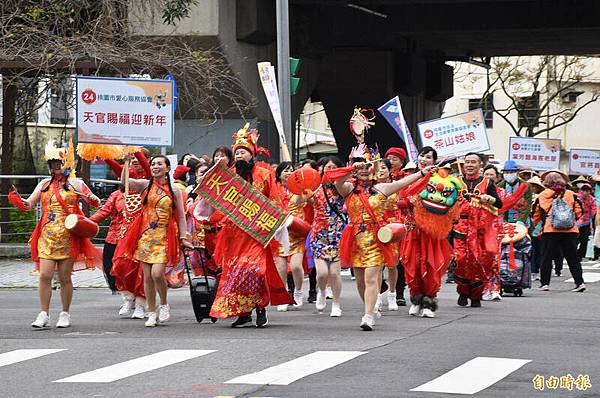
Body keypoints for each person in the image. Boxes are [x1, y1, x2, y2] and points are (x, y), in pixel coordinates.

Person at [332, 153, 435, 330]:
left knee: (371, 277)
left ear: (373, 169)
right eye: (360, 167)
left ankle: (368, 316)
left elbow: (403, 183)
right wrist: (350, 170)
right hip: (355, 239)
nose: (364, 170)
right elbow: (337, 182)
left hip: (376, 238)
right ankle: (370, 307)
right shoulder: (348, 188)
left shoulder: (381, 188)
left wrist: (422, 172)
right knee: (360, 281)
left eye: (367, 167)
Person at [207, 124, 294, 328]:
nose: (239, 155)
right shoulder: (228, 177)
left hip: (257, 233)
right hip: (234, 233)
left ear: (252, 154)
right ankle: (244, 312)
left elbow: (274, 200)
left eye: (243, 152)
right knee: (237, 272)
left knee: (255, 270)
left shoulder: (264, 174)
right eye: (237, 152)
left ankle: (261, 307)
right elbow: (215, 201)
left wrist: (276, 223)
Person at [13, 140, 101, 328]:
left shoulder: (76, 183)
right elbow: (29, 204)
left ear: (67, 163)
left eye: (59, 162)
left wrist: (93, 199)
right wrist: (18, 200)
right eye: (52, 162)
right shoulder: (44, 184)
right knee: (44, 275)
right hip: (47, 235)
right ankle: (43, 313)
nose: (56, 166)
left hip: (68, 235)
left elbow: (95, 202)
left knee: (64, 277)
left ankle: (64, 313)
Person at [114, 155, 192, 327]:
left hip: (164, 236)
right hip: (145, 236)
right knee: (147, 277)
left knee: (157, 274)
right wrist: (126, 162)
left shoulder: (174, 190)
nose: (155, 167)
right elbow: (125, 180)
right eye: (153, 164)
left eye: (159, 164)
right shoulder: (145, 185)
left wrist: (184, 237)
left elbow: (180, 215)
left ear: (167, 168)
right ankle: (151, 312)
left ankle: (163, 304)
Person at [401, 151, 463, 318]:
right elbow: (400, 199)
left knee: (431, 265)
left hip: (433, 232)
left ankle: (429, 301)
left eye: (429, 157)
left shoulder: (443, 181)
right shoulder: (410, 177)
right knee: (412, 265)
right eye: (422, 156)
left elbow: (453, 207)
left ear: (435, 161)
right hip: (414, 230)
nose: (424, 159)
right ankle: (416, 299)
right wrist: (406, 202)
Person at [453, 152, 503, 308]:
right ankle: (462, 291)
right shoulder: (456, 181)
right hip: (460, 226)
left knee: (478, 261)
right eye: (467, 162)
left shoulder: (487, 183)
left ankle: (476, 295)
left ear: (480, 165)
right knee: (460, 259)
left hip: (481, 229)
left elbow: (499, 204)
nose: (469, 165)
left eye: (473, 162)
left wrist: (490, 199)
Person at [532, 170, 585, 292]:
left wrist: (535, 224)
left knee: (547, 257)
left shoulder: (543, 195)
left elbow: (536, 213)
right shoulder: (571, 194)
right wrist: (571, 220)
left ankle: (545, 284)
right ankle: (580, 283)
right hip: (570, 230)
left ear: (546, 182)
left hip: (550, 230)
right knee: (572, 257)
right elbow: (579, 210)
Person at [273, 161, 307, 311]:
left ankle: (298, 291)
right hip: (279, 233)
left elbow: (301, 199)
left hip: (296, 233)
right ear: (279, 174)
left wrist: (300, 186)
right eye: (285, 170)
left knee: (295, 266)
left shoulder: (297, 190)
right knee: (280, 268)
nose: (288, 172)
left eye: (291, 170)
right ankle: (283, 296)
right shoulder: (273, 190)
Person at [384, 146, 409, 307]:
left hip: (398, 223)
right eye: (389, 158)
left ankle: (398, 293)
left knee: (397, 261)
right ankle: (379, 290)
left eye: (395, 159)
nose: (392, 162)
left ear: (402, 161)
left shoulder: (406, 178)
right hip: (379, 222)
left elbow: (410, 198)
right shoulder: (378, 179)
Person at [498, 160, 532, 225]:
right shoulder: (500, 186)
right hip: (505, 220)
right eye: (506, 172)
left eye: (512, 172)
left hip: (522, 220)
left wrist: (521, 221)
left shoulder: (526, 186)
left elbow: (527, 205)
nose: (509, 174)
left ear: (517, 173)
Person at [527, 176, 546, 281]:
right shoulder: (527, 196)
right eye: (531, 186)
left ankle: (536, 270)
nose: (533, 188)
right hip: (529, 225)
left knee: (538, 250)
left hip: (539, 226)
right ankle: (532, 269)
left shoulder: (541, 197)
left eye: (535, 186)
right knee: (531, 249)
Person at [574, 179, 596, 261]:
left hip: (586, 222)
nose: (585, 192)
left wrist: (592, 215)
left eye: (587, 190)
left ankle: (580, 255)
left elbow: (593, 210)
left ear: (590, 191)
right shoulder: (576, 197)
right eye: (584, 190)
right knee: (575, 240)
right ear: (581, 191)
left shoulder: (592, 199)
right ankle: (573, 254)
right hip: (576, 222)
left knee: (584, 240)